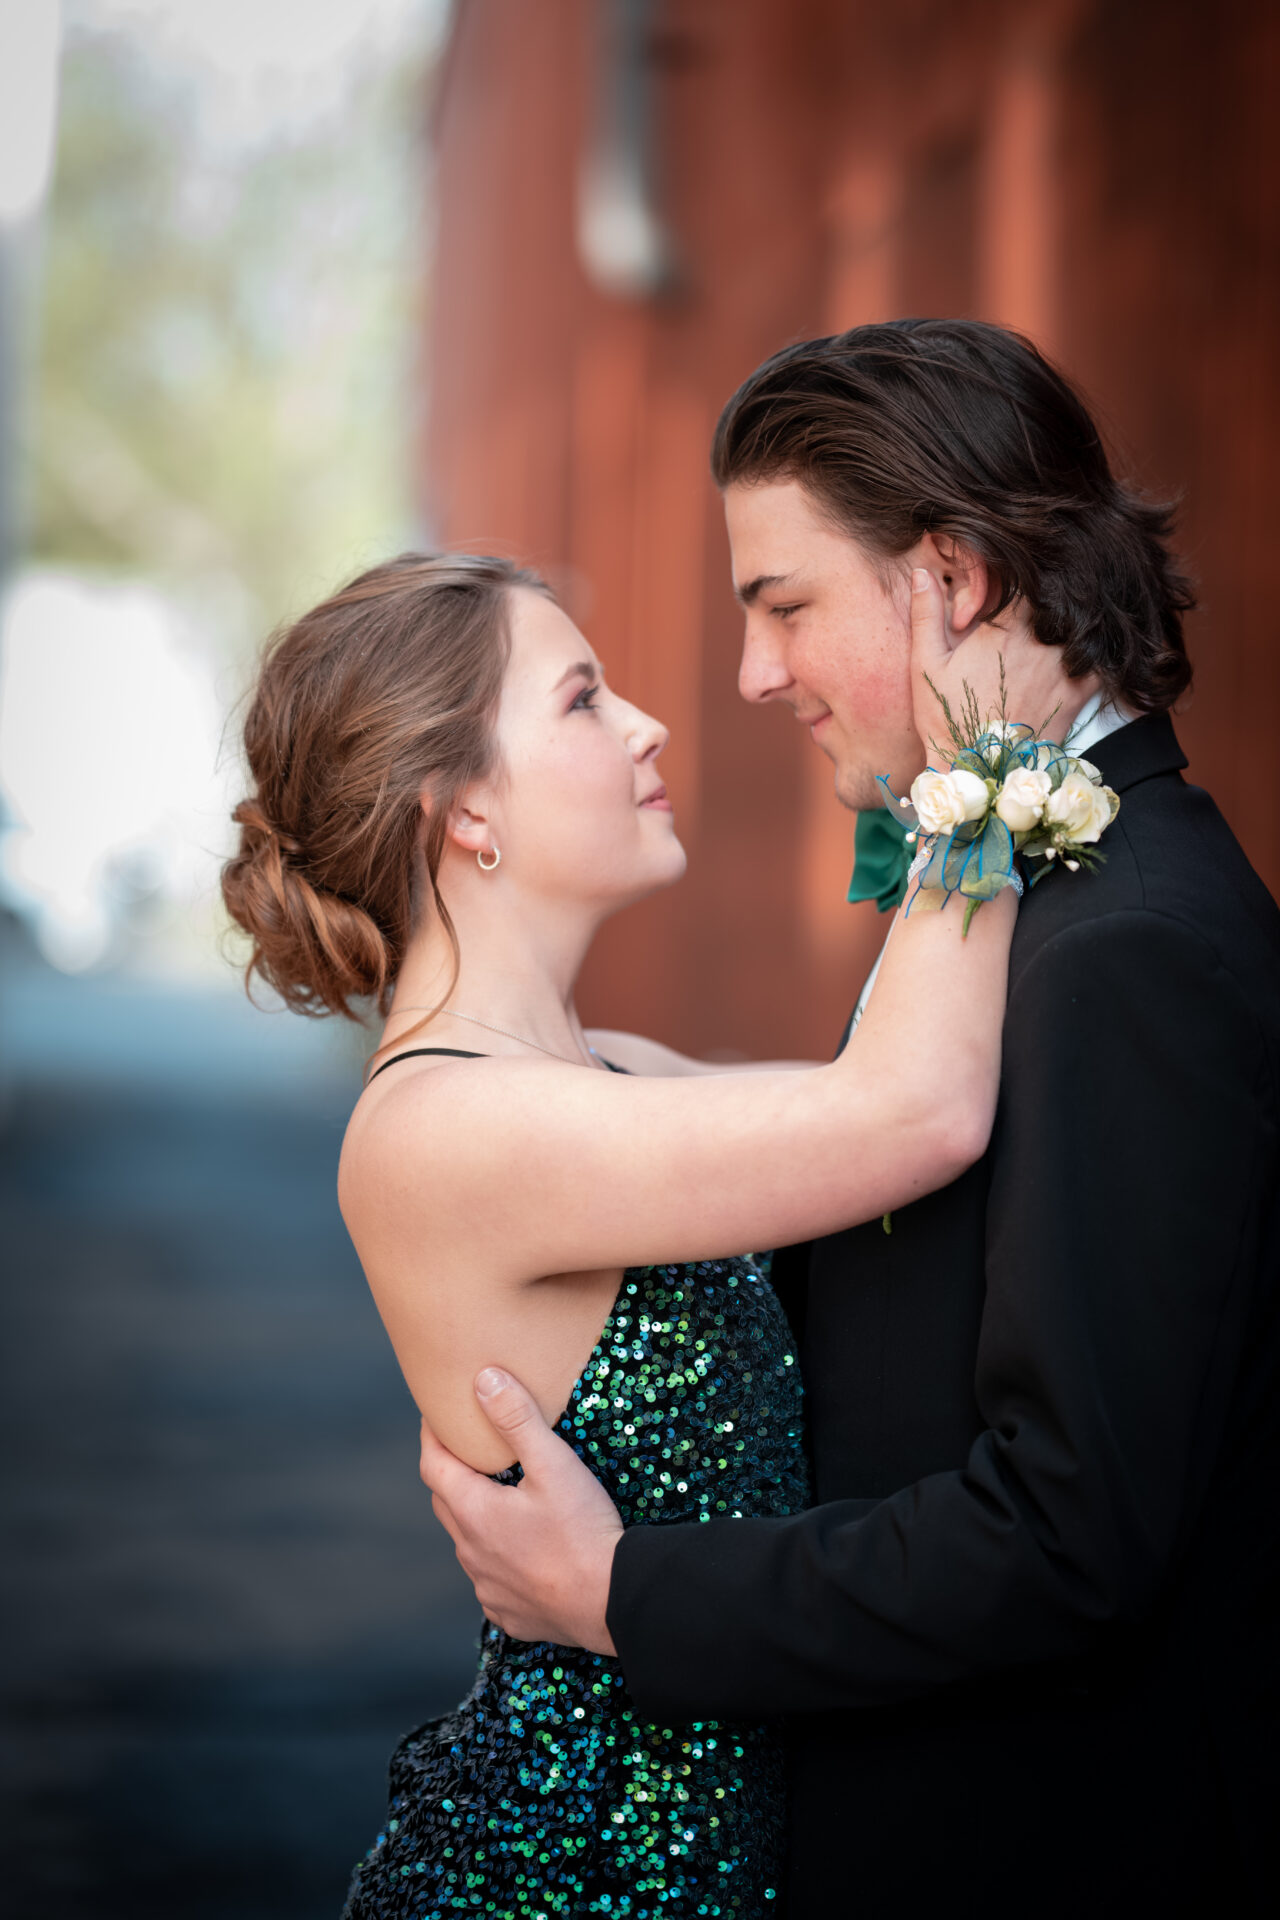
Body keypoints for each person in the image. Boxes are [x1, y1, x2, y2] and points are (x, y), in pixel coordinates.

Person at [418, 321, 1280, 1916]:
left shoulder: (1128, 945)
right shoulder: (1019, 897)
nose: (753, 675)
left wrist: (623, 1595)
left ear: (948, 583)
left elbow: (1068, 1533)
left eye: (785, 606)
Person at [221, 539, 1088, 1918]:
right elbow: (914, 1115)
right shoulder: (440, 1132)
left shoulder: (605, 1073)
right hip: (569, 1875)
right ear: (463, 809)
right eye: (580, 699)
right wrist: (983, 759)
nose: (648, 724)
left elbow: (918, 1116)